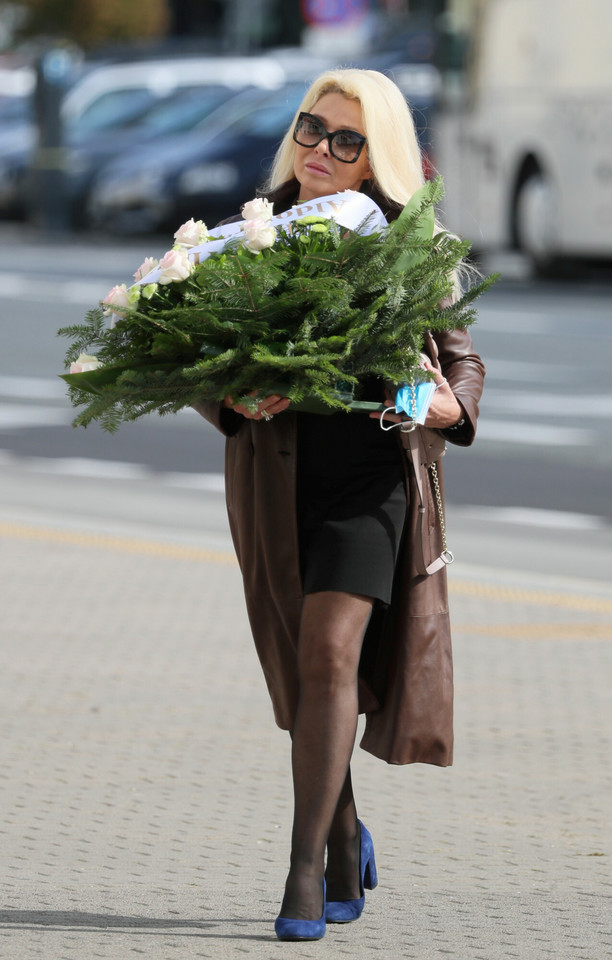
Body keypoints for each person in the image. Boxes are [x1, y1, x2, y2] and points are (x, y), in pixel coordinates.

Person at [193, 68, 485, 941]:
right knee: (307, 674)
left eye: (348, 141)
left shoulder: (405, 245)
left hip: (372, 481)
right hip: (277, 480)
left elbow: (461, 361)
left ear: (376, 158)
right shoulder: (254, 234)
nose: (322, 150)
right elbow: (204, 359)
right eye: (313, 129)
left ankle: (304, 873)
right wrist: (233, 398)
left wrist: (448, 405)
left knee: (329, 652)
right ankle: (348, 832)